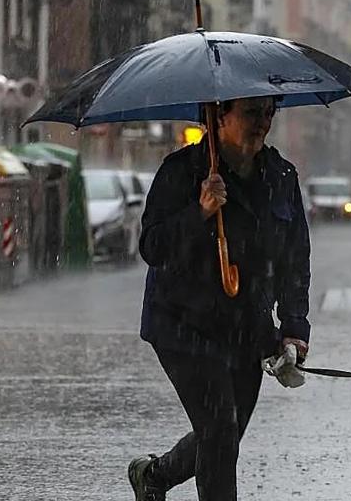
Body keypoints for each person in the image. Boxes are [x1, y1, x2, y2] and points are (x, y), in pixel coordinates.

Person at [129, 96, 311, 501]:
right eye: (252, 112)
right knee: (220, 429)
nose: (263, 122)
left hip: (247, 329)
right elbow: (153, 247)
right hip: (183, 326)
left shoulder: (281, 176)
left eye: (269, 112)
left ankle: (154, 475)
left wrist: (294, 328)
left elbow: (295, 259)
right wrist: (199, 212)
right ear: (218, 115)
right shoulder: (182, 171)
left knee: (223, 434)